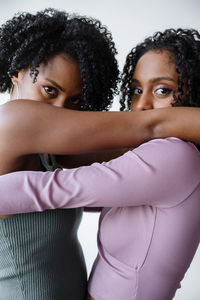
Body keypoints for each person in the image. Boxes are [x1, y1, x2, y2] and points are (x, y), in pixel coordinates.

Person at [0, 28, 200, 300]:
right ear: (17, 73)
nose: (58, 111)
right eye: (49, 90)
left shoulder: (175, 156)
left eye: (76, 101)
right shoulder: (15, 120)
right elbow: (150, 126)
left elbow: (97, 184)